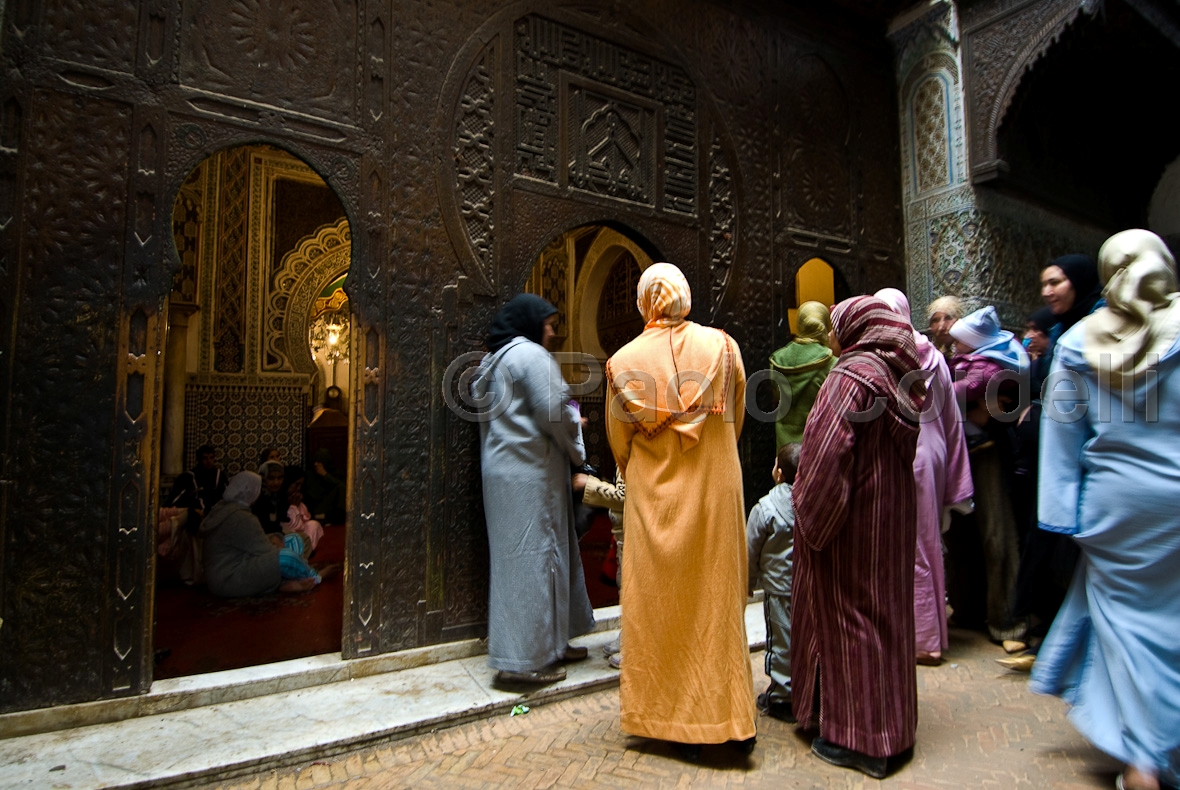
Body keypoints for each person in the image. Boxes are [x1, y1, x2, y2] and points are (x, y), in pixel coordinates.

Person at [1031, 229, 1180, 790]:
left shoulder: (1078, 342)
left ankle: (1145, 759)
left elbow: (1063, 440)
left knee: (1130, 631)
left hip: (1117, 510)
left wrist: (1062, 517)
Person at [605, 263, 755, 760]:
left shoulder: (623, 361)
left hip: (654, 499)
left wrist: (651, 467)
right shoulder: (725, 347)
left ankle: (661, 718)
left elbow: (619, 442)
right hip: (716, 488)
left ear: (647, 301)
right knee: (716, 599)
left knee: (659, 603)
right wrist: (711, 453)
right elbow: (735, 416)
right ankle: (728, 719)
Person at [791, 295, 925, 779]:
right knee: (887, 618)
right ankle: (894, 730)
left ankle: (864, 742)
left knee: (853, 621)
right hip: (889, 519)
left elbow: (827, 454)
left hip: (854, 520)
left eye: (835, 326)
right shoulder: (899, 375)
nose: (831, 336)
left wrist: (811, 519)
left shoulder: (851, 376)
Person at [470, 293, 595, 685]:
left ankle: (551, 644)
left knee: (543, 556)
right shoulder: (530, 357)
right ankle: (520, 663)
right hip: (531, 475)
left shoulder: (493, 362)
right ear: (530, 323)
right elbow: (557, 411)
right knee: (531, 561)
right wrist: (578, 445)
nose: (553, 331)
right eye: (548, 323)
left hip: (508, 474)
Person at [876, 288, 973, 666]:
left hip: (898, 453)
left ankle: (918, 638)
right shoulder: (934, 357)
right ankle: (929, 634)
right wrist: (953, 470)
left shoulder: (883, 355)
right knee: (927, 542)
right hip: (930, 454)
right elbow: (950, 419)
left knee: (901, 545)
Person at [947, 306, 1030, 647]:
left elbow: (955, 396)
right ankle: (969, 610)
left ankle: (1007, 620)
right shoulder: (969, 362)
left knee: (996, 534)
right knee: (962, 536)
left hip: (986, 456)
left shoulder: (989, 366)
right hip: (962, 455)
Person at [201, 471, 322, 597]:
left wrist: (275, 538)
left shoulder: (226, 508)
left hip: (237, 564)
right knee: (285, 556)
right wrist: (277, 546)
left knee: (295, 539)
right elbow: (265, 550)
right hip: (229, 578)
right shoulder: (239, 516)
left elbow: (250, 541)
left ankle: (286, 581)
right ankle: (314, 577)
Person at [747, 442, 801, 723]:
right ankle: (804, 691)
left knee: (780, 641)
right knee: (803, 639)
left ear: (778, 472)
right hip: (805, 588)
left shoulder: (765, 508)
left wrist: (747, 583)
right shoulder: (812, 504)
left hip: (777, 590)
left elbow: (750, 549)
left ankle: (782, 697)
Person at [768, 302, 835, 448]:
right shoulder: (832, 363)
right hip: (817, 451)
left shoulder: (777, 359)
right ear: (825, 325)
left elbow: (775, 399)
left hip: (785, 450)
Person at [282, 466, 323, 553]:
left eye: (300, 485)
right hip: (286, 536)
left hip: (299, 535)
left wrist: (297, 506)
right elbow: (294, 527)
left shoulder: (297, 498)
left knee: (313, 525)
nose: (298, 488)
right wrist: (293, 507)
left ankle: (307, 550)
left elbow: (304, 522)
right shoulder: (279, 498)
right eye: (296, 484)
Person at [303, 447, 346, 524]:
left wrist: (325, 475)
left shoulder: (336, 473)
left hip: (332, 506)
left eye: (319, 461)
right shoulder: (310, 474)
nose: (316, 464)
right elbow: (314, 495)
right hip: (317, 507)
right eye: (315, 461)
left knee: (341, 488)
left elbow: (341, 487)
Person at [252, 460, 288, 535]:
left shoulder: (279, 496)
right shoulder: (257, 498)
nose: (276, 482)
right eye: (271, 478)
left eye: (279, 478)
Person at [926, 295, 964, 360]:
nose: (941, 327)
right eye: (935, 320)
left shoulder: (971, 356)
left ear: (959, 320)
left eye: (948, 318)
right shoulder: (927, 357)